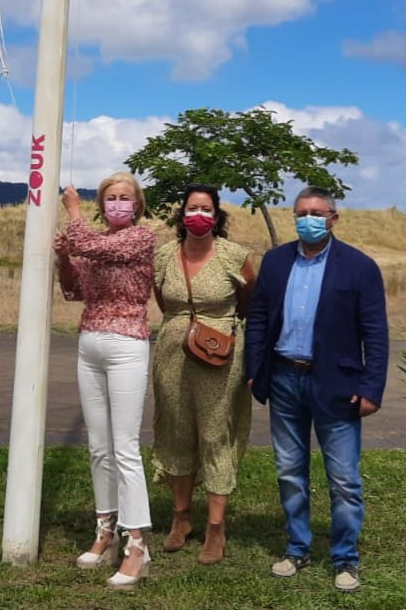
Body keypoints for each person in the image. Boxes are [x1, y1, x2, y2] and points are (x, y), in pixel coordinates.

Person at [245, 186, 388, 594]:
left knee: (343, 479)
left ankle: (345, 557)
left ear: (333, 218)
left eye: (317, 213)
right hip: (285, 378)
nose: (309, 219)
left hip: (337, 384)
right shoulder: (275, 261)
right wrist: (255, 370)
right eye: (301, 213)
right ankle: (297, 547)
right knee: (290, 471)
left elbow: (375, 334)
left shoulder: (359, 267)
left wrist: (371, 387)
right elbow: (258, 319)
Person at [53, 173, 155, 591]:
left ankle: (137, 545)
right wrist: (62, 257)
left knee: (125, 446)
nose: (116, 204)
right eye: (109, 197)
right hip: (90, 342)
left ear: (136, 205)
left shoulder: (140, 239)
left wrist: (74, 212)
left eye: (123, 198)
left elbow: (93, 245)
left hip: (128, 341)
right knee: (99, 446)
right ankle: (105, 529)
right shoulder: (93, 245)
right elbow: (74, 289)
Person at [151, 184, 256, 566]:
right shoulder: (163, 255)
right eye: (193, 208)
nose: (200, 214)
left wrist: (221, 329)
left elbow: (248, 302)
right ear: (182, 214)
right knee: (177, 430)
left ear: (217, 215)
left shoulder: (234, 256)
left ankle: (216, 526)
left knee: (214, 432)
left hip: (220, 356)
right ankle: (181, 519)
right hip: (171, 354)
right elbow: (165, 302)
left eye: (207, 208)